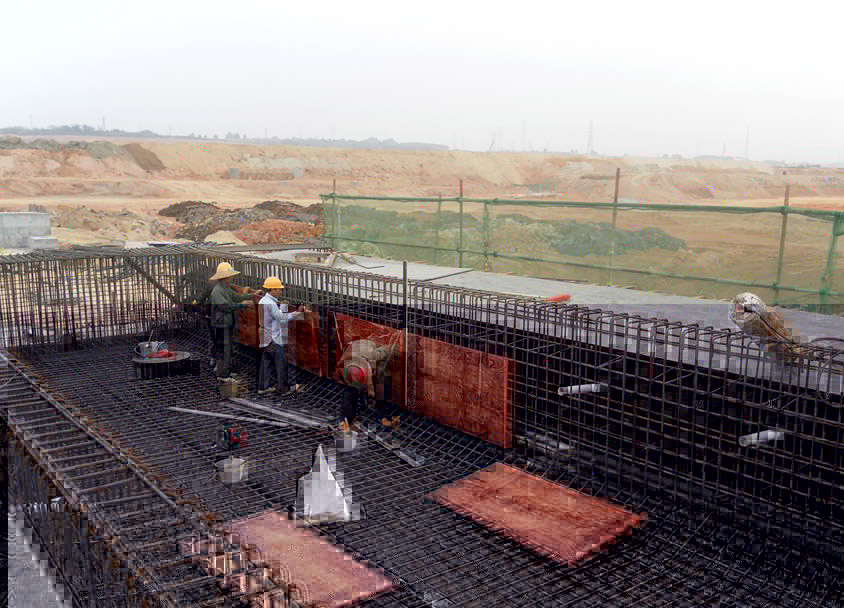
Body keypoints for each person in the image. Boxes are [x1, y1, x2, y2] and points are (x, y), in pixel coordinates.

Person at [258, 276, 308, 395]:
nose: (280, 291)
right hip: (273, 338)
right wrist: (298, 313)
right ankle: (283, 389)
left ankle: (263, 387)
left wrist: (282, 306)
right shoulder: (271, 303)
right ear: (273, 290)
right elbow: (282, 318)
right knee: (281, 364)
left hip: (265, 337)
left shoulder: (263, 301)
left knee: (267, 363)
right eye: (279, 289)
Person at [208, 262, 255, 379]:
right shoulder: (217, 291)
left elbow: (236, 296)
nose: (232, 277)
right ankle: (222, 375)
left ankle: (226, 372)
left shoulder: (225, 288)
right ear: (226, 277)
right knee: (223, 350)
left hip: (226, 324)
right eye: (231, 275)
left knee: (227, 349)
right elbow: (225, 306)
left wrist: (252, 295)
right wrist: (242, 305)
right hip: (221, 325)